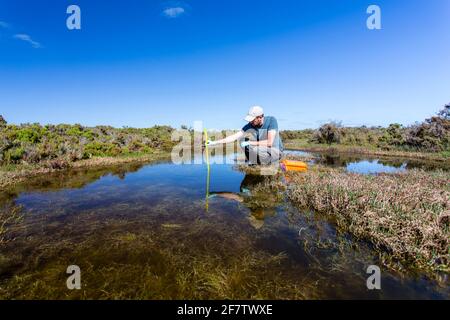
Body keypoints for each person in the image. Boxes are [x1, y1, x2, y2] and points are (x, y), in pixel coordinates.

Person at [206, 106, 284, 165]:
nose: (250, 122)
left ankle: (270, 164)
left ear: (260, 117)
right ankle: (254, 162)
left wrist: (250, 143)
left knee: (255, 148)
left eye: (252, 119)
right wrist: (214, 142)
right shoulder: (250, 125)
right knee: (243, 141)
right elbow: (234, 137)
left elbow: (269, 143)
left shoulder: (271, 120)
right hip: (263, 149)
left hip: (276, 151)